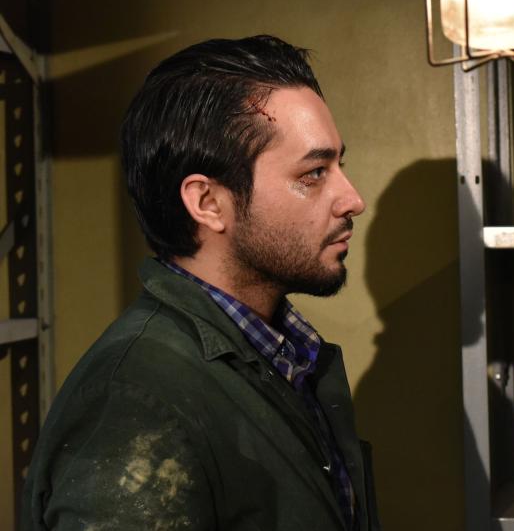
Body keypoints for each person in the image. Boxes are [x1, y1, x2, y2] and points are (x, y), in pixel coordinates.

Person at [22, 35, 379, 530]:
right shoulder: (135, 402)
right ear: (208, 203)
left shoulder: (282, 355)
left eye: (340, 165)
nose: (352, 199)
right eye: (314, 173)